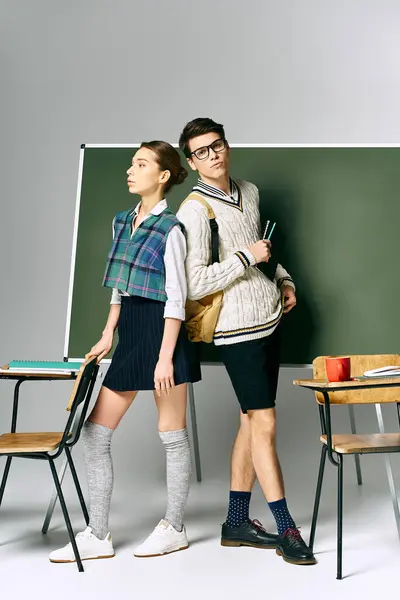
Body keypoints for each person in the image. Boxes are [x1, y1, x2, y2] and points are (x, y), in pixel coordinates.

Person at [50, 141, 201, 563]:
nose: (130, 170)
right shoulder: (122, 221)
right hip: (131, 330)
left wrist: (166, 356)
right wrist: (106, 334)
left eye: (140, 164)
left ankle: (175, 527)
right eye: (131, 163)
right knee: (96, 434)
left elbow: (176, 296)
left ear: (164, 175)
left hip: (161, 331)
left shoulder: (171, 228)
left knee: (172, 435)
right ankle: (98, 535)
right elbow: (120, 283)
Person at [176, 118, 316, 566]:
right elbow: (195, 283)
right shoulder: (194, 211)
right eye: (201, 151)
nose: (213, 155)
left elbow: (264, 253)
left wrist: (285, 280)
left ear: (226, 145)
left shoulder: (249, 192)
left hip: (270, 318)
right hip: (236, 332)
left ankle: (236, 522)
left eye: (217, 145)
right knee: (266, 425)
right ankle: (286, 527)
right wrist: (244, 257)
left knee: (249, 422)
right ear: (191, 161)